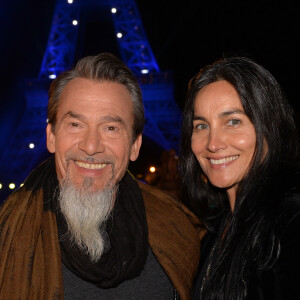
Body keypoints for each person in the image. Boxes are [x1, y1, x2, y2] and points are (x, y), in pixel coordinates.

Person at [0, 53, 204, 300]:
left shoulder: (177, 229)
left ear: (135, 145)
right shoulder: (6, 236)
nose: (91, 145)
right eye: (75, 124)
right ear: (51, 137)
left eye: (111, 128)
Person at [179, 56, 300, 299]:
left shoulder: (291, 220)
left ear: (269, 126)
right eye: (201, 126)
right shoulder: (216, 230)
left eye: (233, 122)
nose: (213, 144)